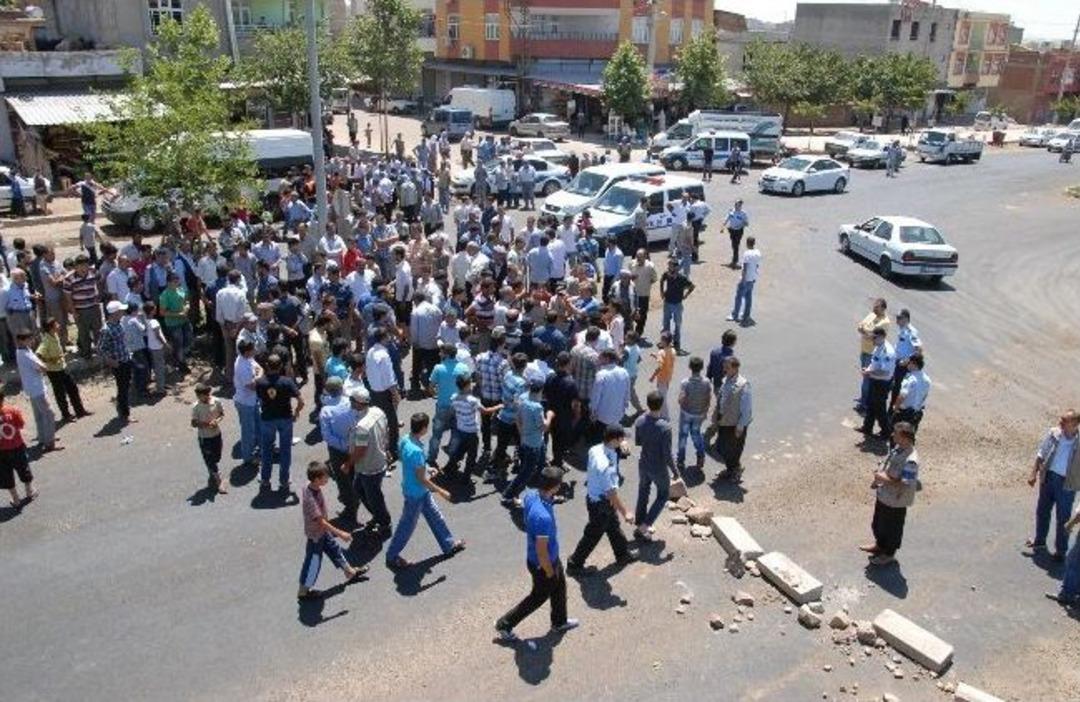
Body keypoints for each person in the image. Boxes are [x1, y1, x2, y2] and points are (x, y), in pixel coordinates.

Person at [495, 466, 580, 641]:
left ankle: (559, 622)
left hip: (550, 558)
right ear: (555, 487)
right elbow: (542, 551)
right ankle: (505, 624)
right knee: (538, 597)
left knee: (559, 588)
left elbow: (533, 505)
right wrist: (549, 571)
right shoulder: (543, 518)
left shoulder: (532, 495)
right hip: (543, 563)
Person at [386, 412, 467, 569]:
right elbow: (421, 479)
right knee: (406, 526)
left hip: (416, 490)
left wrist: (426, 468)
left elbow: (403, 459)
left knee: (435, 516)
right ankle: (392, 556)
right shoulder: (416, 451)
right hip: (416, 493)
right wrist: (442, 491)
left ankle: (448, 544)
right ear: (423, 428)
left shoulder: (406, 439)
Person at [566, 426, 637, 575]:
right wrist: (626, 513)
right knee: (592, 535)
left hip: (596, 498)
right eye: (622, 439)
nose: (624, 441)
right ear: (615, 440)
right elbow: (611, 493)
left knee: (613, 527)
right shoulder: (606, 466)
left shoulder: (596, 449)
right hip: (601, 505)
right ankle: (574, 564)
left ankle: (622, 555)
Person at [297, 462, 367, 600]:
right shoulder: (311, 499)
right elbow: (321, 522)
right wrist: (341, 533)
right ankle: (303, 591)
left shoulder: (311, 485)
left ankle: (350, 572)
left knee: (335, 550)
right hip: (316, 535)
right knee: (313, 562)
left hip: (322, 532)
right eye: (325, 477)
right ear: (316, 479)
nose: (328, 478)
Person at [861, 422, 920, 566]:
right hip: (885, 495)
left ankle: (888, 555)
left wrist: (883, 478)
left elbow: (905, 483)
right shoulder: (898, 448)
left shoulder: (911, 460)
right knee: (878, 524)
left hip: (896, 500)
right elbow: (887, 464)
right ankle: (879, 545)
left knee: (891, 529)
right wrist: (878, 478)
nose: (892, 435)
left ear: (905, 437)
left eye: (896, 434)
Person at [1026, 410, 1080, 562]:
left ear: (1075, 424)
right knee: (1042, 511)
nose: (1060, 422)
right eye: (1061, 419)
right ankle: (1040, 541)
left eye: (1065, 420)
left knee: (1063, 518)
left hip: (1067, 484)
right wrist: (1033, 473)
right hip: (1048, 478)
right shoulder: (1054, 433)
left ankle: (1061, 551)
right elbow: (1041, 453)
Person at [256, 354, 304, 492]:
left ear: (267, 365)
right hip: (285, 418)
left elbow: (260, 399)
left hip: (267, 419)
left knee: (266, 450)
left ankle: (265, 479)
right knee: (285, 450)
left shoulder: (260, 382)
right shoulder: (287, 382)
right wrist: (296, 413)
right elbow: (301, 401)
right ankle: (284, 480)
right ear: (281, 366)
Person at [348, 387, 392, 535]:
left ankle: (384, 523)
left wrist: (348, 464)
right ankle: (378, 516)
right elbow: (386, 432)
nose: (350, 402)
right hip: (378, 461)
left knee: (374, 498)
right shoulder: (378, 412)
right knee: (360, 489)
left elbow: (360, 450)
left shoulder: (362, 426)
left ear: (358, 403)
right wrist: (386, 449)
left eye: (352, 400)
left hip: (369, 467)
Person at [502, 378, 553, 507]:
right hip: (533, 444)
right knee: (525, 473)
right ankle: (508, 495)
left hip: (528, 440)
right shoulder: (537, 407)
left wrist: (522, 434)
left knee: (541, 463)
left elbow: (517, 418)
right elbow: (544, 427)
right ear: (541, 391)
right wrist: (550, 416)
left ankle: (541, 488)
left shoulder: (522, 399)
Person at [633, 391, 677, 540]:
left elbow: (638, 442)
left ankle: (639, 521)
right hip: (658, 467)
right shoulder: (665, 427)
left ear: (647, 403)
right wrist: (676, 472)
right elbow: (667, 454)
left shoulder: (640, 421)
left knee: (643, 491)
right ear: (661, 405)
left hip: (643, 463)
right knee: (663, 495)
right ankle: (645, 526)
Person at [36, 318, 89, 423]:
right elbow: (38, 355)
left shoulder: (54, 335)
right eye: (56, 324)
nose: (59, 325)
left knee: (73, 389)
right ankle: (66, 415)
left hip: (62, 368)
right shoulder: (46, 340)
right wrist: (49, 360)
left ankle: (80, 411)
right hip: (54, 371)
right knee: (60, 394)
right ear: (51, 327)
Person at [15, 332, 60, 452]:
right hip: (37, 389)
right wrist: (48, 363)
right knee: (49, 414)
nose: (32, 341)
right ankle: (50, 443)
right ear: (21, 341)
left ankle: (43, 437)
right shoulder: (25, 355)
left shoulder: (22, 351)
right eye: (29, 339)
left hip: (31, 388)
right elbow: (42, 368)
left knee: (39, 415)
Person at [713, 356, 752, 482]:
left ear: (736, 368)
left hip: (735, 424)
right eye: (724, 367)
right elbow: (722, 400)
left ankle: (735, 470)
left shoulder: (743, 385)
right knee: (721, 448)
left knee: (734, 450)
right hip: (724, 421)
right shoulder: (726, 380)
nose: (724, 370)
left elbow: (746, 409)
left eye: (727, 367)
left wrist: (740, 426)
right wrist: (715, 415)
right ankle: (731, 469)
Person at [98, 302, 134, 424]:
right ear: (115, 313)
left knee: (126, 386)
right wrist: (111, 361)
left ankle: (122, 409)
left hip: (126, 359)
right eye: (120, 311)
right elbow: (101, 348)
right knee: (123, 388)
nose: (122, 313)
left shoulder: (119, 324)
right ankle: (125, 414)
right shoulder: (106, 330)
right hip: (119, 363)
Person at [0, 390, 37, 509]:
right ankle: (29, 491)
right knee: (23, 468)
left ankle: (15, 498)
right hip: (16, 446)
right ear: (3, 398)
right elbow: (21, 424)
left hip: (1, 452)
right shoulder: (13, 410)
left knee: (5, 474)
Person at [677, 356, 711, 472]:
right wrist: (705, 411)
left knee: (683, 436)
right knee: (696, 434)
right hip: (699, 414)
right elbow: (708, 398)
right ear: (702, 367)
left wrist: (681, 399)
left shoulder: (685, 383)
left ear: (690, 367)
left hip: (686, 413)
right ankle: (700, 456)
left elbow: (681, 400)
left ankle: (680, 460)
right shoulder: (706, 382)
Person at [855, 298, 890, 414]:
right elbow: (861, 326)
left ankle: (864, 405)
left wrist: (864, 331)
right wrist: (865, 331)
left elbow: (873, 336)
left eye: (877, 307)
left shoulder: (885, 322)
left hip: (872, 353)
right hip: (864, 350)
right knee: (865, 377)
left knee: (867, 379)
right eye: (874, 306)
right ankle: (864, 398)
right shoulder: (872, 314)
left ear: (883, 308)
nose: (874, 308)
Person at [860, 328, 896, 440]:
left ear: (882, 337)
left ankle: (886, 433)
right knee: (870, 405)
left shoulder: (888, 352)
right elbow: (874, 363)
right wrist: (868, 370)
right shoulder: (878, 347)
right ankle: (867, 428)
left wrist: (869, 373)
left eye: (874, 338)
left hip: (882, 383)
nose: (872, 340)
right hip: (874, 380)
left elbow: (885, 372)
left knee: (880, 409)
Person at [191, 383, 227, 494]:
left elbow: (222, 414)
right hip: (204, 437)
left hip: (216, 434)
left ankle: (212, 468)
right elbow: (193, 423)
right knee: (210, 459)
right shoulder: (196, 407)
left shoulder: (216, 402)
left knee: (217, 457)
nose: (200, 398)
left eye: (202, 395)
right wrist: (206, 424)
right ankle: (218, 481)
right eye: (198, 396)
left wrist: (217, 421)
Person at [889, 353, 930, 435]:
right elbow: (924, 396)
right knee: (909, 436)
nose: (907, 365)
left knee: (897, 436)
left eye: (909, 362)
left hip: (904, 414)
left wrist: (895, 408)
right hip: (917, 413)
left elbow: (902, 395)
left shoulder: (910, 378)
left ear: (914, 364)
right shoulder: (927, 379)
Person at [659, 259, 694, 350]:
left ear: (676, 267)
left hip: (677, 304)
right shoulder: (666, 274)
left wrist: (686, 295)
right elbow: (661, 280)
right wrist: (662, 292)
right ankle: (665, 341)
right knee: (666, 323)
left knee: (677, 324)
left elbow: (692, 286)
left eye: (671, 266)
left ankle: (676, 342)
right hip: (667, 302)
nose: (669, 268)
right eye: (669, 266)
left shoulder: (682, 277)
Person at [727, 236, 760, 327]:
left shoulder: (747, 254)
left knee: (738, 297)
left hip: (746, 279)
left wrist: (743, 279)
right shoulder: (758, 253)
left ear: (747, 243)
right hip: (752, 278)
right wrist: (754, 277)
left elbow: (745, 268)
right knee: (748, 297)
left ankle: (735, 315)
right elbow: (757, 266)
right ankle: (746, 315)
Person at [629, 249, 657, 338]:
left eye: (640, 257)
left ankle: (638, 333)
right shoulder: (632, 264)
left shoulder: (650, 266)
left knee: (642, 315)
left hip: (644, 295)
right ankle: (630, 332)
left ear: (645, 257)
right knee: (631, 313)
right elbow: (628, 276)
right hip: (633, 294)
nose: (638, 259)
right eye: (637, 256)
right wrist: (631, 278)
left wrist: (645, 283)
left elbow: (654, 279)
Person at [723, 200, 749, 269]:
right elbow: (727, 218)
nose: (736, 206)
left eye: (738, 205)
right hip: (732, 230)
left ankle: (735, 261)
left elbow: (747, 223)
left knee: (736, 245)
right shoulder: (731, 211)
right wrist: (723, 225)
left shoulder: (743, 213)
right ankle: (735, 259)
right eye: (736, 204)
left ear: (741, 205)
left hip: (739, 231)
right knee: (733, 244)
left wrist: (742, 224)